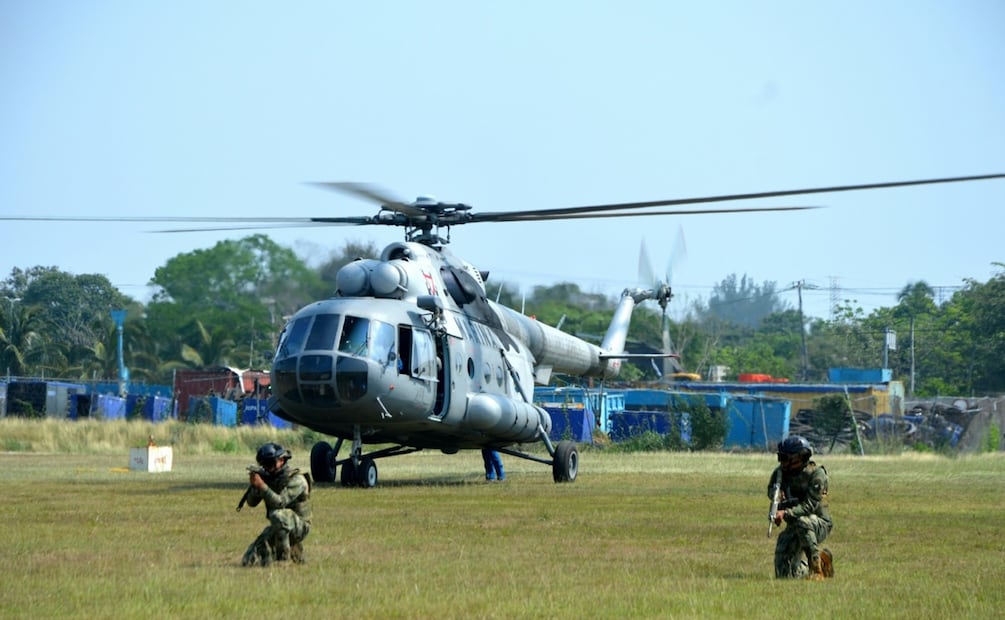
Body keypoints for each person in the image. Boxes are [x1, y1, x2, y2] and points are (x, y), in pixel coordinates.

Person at [768, 435, 834, 580]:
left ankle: (817, 570)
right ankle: (822, 563)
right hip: (795, 524)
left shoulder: (816, 474)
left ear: (800, 457)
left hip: (819, 523)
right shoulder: (780, 473)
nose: (782, 462)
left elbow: (809, 506)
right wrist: (776, 496)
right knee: (785, 574)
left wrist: (785, 513)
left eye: (785, 458)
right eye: (780, 458)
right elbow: (771, 490)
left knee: (803, 522)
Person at [240, 443, 312, 567]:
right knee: (249, 560)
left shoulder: (297, 480)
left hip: (300, 526)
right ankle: (295, 551)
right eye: (263, 465)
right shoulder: (269, 477)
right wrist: (255, 486)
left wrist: (262, 486)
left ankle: (283, 560)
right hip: (279, 525)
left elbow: (280, 502)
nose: (267, 468)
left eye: (270, 464)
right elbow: (251, 503)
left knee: (277, 515)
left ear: (282, 460)